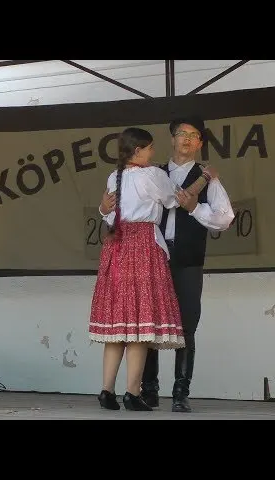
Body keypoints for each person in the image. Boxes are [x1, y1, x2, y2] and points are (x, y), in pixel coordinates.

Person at [90, 127, 213, 411]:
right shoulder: (153, 175)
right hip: (143, 246)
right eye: (149, 149)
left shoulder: (114, 176)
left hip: (116, 248)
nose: (153, 153)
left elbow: (107, 212)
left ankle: (107, 390)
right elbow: (177, 200)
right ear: (138, 151)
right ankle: (133, 392)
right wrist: (205, 177)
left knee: (117, 327)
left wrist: (101, 207)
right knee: (139, 324)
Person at [140, 116, 233, 412]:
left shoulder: (207, 177)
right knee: (150, 323)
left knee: (187, 324)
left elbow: (225, 217)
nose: (187, 139)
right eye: (181, 133)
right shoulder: (152, 173)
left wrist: (194, 207)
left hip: (189, 256)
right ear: (172, 138)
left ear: (200, 143)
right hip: (154, 254)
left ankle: (181, 392)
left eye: (194, 135)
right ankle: (148, 391)